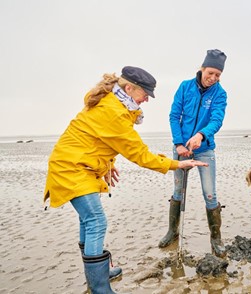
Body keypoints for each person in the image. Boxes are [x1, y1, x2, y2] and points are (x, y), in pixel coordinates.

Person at [43, 66, 208, 293]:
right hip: (71, 169)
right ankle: (100, 287)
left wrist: (108, 164)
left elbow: (97, 139)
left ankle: (98, 275)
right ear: (129, 88)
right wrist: (177, 164)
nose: (147, 100)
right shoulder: (115, 113)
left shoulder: (112, 104)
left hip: (79, 165)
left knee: (88, 221)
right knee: (96, 221)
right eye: (145, 94)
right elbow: (139, 154)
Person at [158, 49, 228, 257]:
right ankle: (172, 231)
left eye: (218, 75)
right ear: (202, 68)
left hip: (204, 149)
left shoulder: (220, 93)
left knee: (210, 193)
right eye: (211, 73)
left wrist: (201, 135)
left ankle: (216, 239)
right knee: (178, 192)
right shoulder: (185, 87)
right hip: (181, 149)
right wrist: (179, 144)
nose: (213, 78)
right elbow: (174, 116)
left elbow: (217, 119)